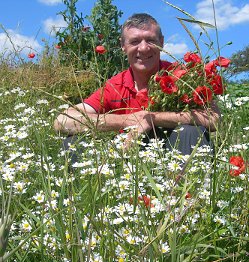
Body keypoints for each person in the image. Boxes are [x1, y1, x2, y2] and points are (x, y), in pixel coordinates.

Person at [54, 13, 221, 158]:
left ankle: (190, 194)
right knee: (72, 142)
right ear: (123, 46)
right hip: (130, 158)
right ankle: (82, 194)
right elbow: (61, 121)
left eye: (150, 40)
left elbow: (214, 118)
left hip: (175, 154)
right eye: (134, 41)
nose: (143, 48)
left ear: (161, 42)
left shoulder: (183, 77)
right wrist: (128, 120)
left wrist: (152, 118)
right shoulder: (115, 86)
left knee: (191, 131)